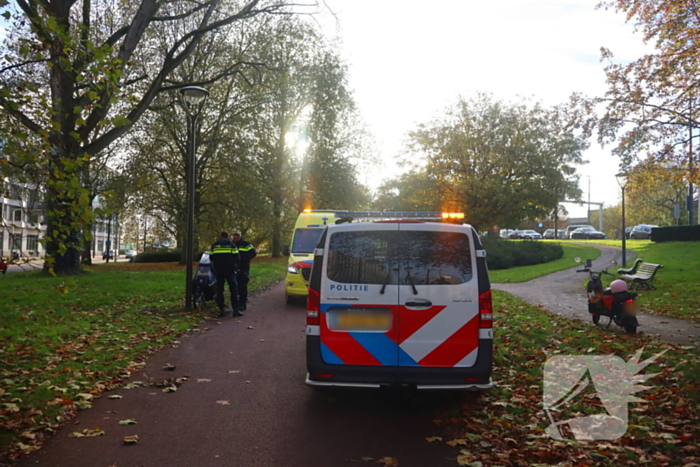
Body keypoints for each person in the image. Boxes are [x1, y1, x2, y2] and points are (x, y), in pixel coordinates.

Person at [210, 231, 242, 318]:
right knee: (234, 289)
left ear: (220, 236)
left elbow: (211, 257)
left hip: (219, 270)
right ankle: (236, 310)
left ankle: (221, 311)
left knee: (220, 290)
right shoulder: (232, 245)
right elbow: (237, 257)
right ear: (228, 236)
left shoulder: (215, 245)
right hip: (230, 270)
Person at [232, 232, 257, 311]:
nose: (234, 239)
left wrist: (245, 259)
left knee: (242, 284)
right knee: (236, 285)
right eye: (233, 238)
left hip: (244, 267)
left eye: (235, 238)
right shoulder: (232, 245)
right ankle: (237, 302)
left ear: (239, 237)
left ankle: (243, 303)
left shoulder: (246, 244)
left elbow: (253, 252)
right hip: (235, 267)